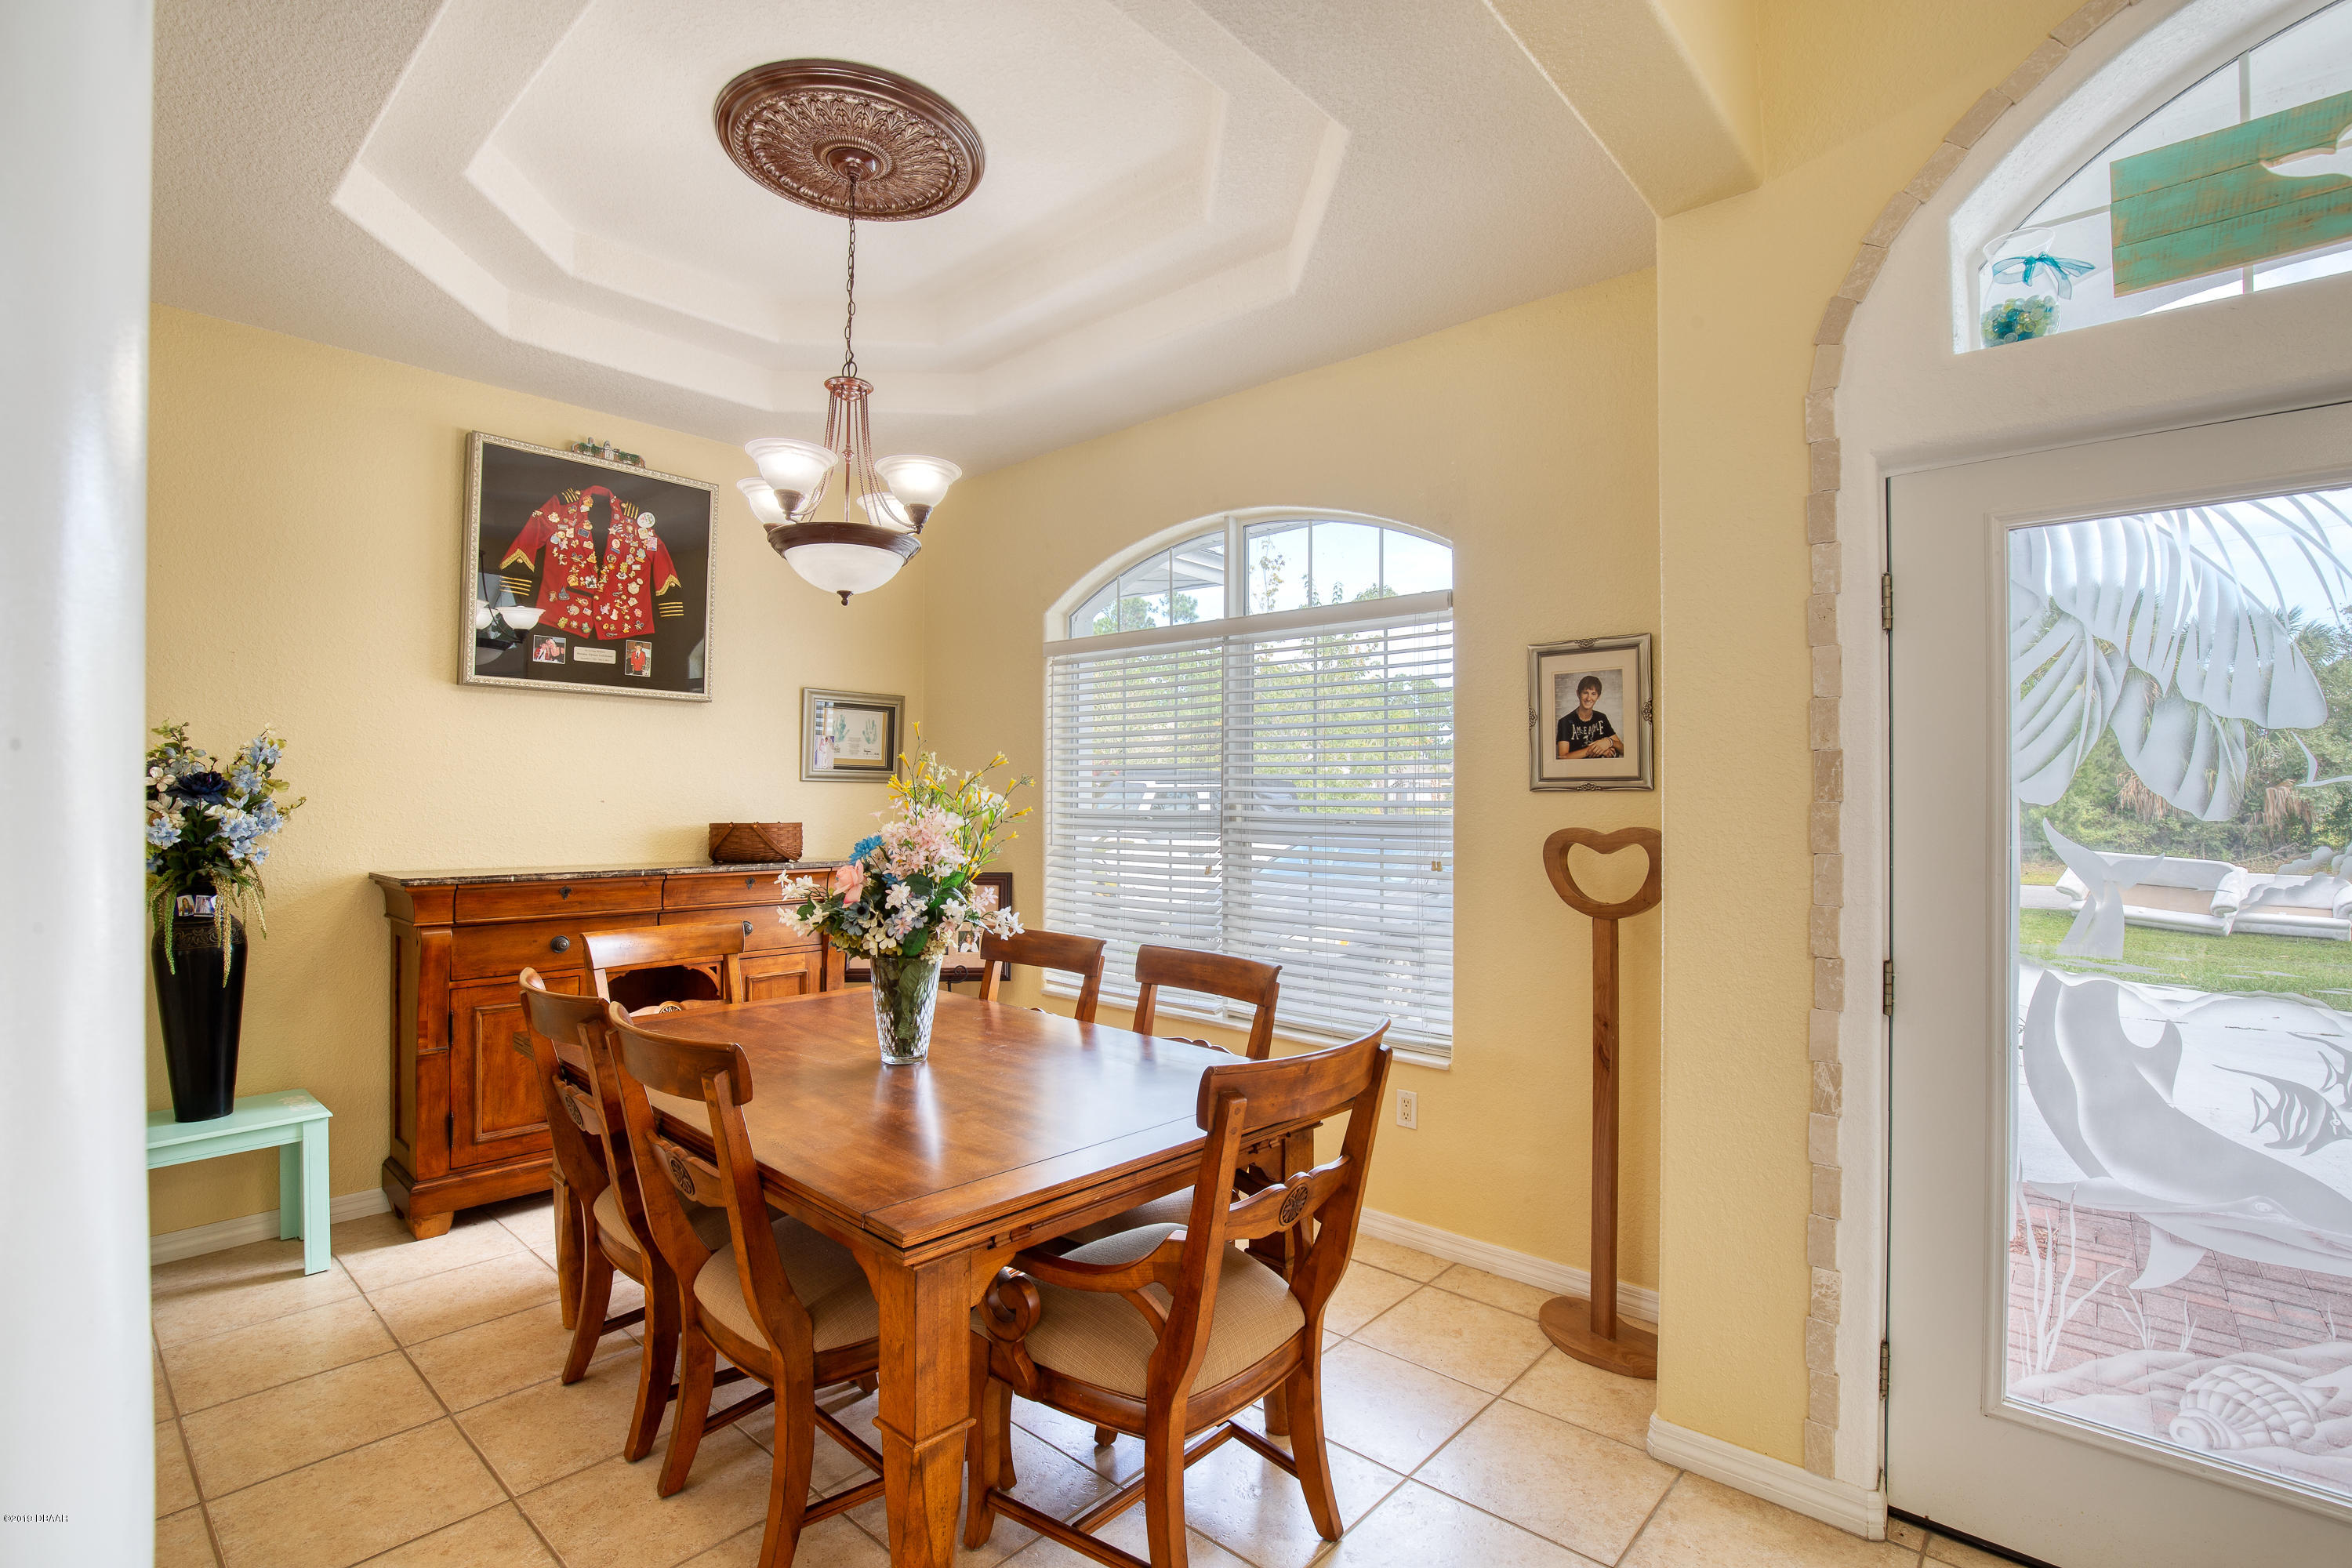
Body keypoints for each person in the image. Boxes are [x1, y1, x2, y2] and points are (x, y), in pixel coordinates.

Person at [1557, 675, 1623, 758]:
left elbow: (1623, 750)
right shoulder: (1565, 722)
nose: (1589, 698)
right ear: (1578, 693)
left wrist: (1609, 742)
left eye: (1593, 694)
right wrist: (1598, 749)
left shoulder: (1601, 718)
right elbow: (1563, 757)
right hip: (1576, 770)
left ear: (1598, 696)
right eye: (1585, 693)